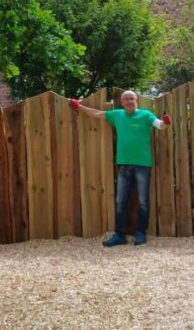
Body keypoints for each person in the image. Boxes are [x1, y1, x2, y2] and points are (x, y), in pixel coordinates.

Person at [70, 89, 171, 246]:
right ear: (122, 102)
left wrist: (166, 122)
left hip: (143, 164)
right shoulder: (117, 115)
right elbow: (97, 114)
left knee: (143, 201)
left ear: (136, 100)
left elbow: (160, 125)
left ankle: (140, 233)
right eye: (126, 99)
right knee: (120, 200)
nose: (129, 101)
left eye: (131, 98)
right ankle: (120, 235)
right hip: (124, 165)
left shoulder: (146, 115)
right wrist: (79, 106)